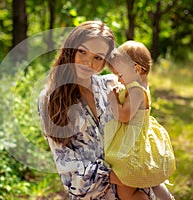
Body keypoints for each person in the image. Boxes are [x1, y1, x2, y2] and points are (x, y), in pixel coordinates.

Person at [38, 21, 155, 199]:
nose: (88, 63)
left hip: (138, 191)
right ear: (71, 49)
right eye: (82, 52)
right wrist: (125, 176)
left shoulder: (113, 86)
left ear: (105, 62)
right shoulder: (49, 99)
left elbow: (140, 132)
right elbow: (67, 166)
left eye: (98, 57)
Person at [105, 40, 175, 200]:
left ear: (136, 69)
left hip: (134, 143)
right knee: (151, 179)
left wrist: (113, 100)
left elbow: (124, 116)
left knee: (126, 187)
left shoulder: (136, 91)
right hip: (137, 136)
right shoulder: (140, 85)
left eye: (120, 75)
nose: (119, 80)